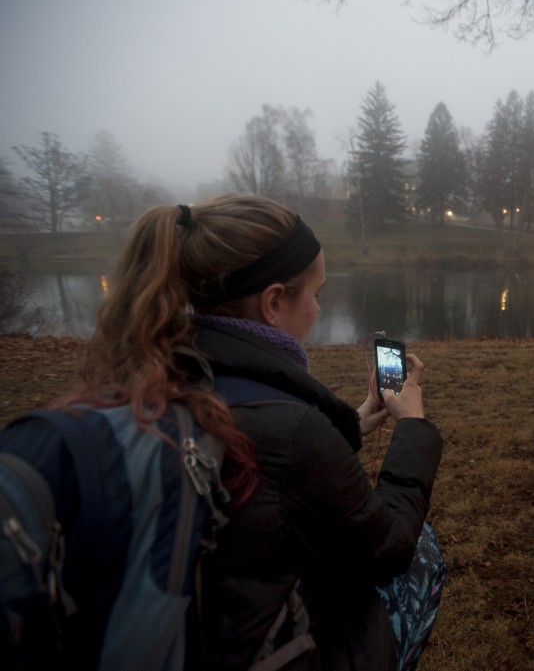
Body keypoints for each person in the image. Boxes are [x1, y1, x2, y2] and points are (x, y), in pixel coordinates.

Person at [88, 194, 445, 670]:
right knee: (422, 547)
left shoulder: (159, 374)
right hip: (264, 650)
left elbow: (267, 461)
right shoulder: (294, 431)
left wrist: (355, 422)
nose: (318, 310)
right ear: (274, 302)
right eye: (315, 294)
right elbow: (388, 548)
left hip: (175, 633)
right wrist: (413, 426)